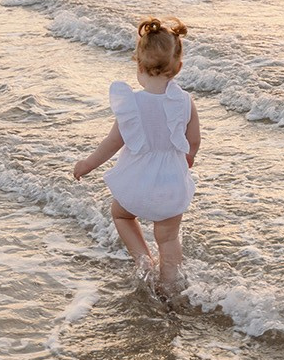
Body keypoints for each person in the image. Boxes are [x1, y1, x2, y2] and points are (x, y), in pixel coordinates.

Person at [73, 18, 201, 294]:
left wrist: (86, 165)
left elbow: (112, 143)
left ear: (139, 66)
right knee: (168, 238)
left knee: (121, 215)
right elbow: (194, 141)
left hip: (138, 182)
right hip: (171, 183)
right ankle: (170, 287)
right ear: (177, 67)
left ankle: (143, 262)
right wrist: (188, 158)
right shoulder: (185, 102)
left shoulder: (132, 104)